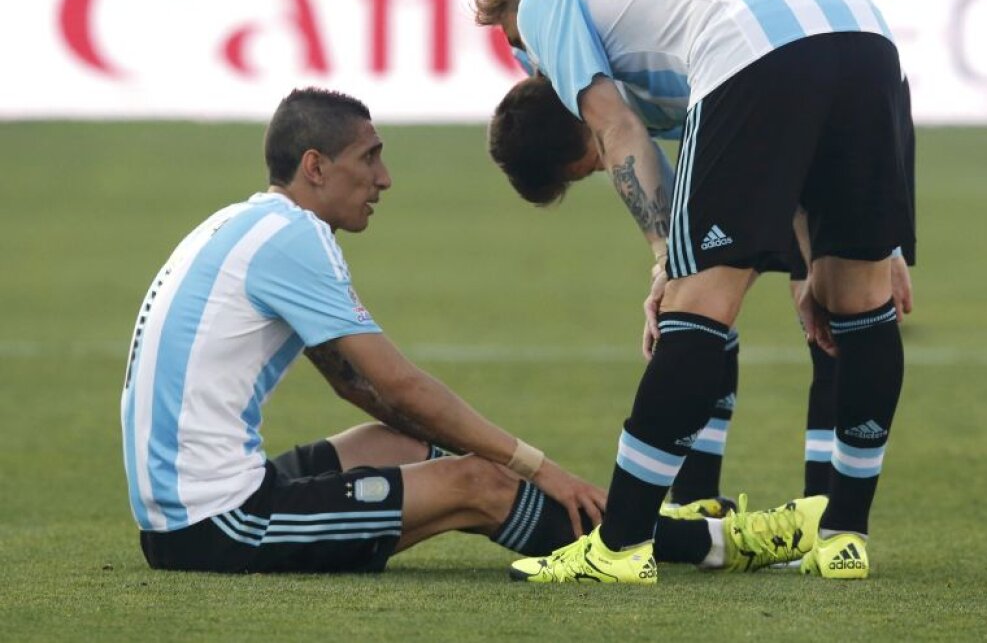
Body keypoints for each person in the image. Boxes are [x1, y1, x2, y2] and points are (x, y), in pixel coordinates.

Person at [119, 86, 816, 577]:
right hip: (216, 523)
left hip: (181, 510)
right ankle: (700, 542)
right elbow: (397, 381)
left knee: (411, 444)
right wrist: (535, 466)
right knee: (480, 483)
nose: (384, 178)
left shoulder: (247, 222)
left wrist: (462, 451)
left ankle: (602, 523)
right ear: (315, 167)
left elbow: (360, 389)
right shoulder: (295, 239)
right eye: (369, 158)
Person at [475, 0, 915, 582]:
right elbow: (787, 129)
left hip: (753, 43)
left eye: (514, 40)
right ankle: (843, 536)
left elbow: (615, 126)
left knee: (697, 305)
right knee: (857, 300)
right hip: (865, 34)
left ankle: (619, 545)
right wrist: (830, 252)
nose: (526, 61)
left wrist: (665, 259)